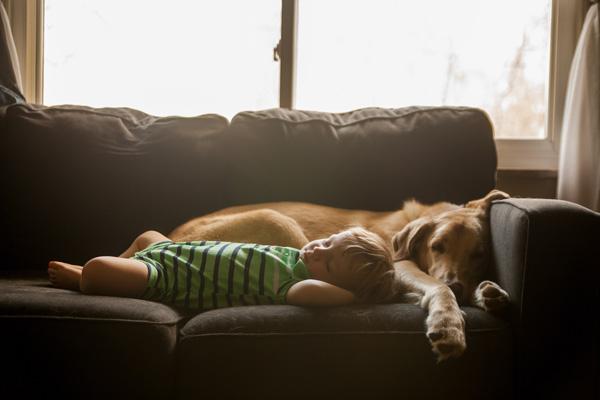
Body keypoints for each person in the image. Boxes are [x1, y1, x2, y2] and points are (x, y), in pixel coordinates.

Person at [47, 227, 395, 310]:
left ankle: (84, 279)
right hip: (171, 250)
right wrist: (330, 260)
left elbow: (317, 296)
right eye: (328, 241)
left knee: (95, 269)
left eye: (329, 262)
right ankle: (123, 266)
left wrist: (357, 296)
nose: (318, 250)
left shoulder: (294, 284)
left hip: (167, 278)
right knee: (146, 235)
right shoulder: (296, 257)